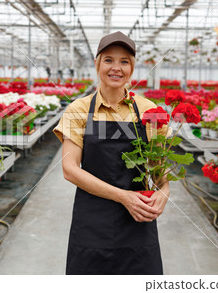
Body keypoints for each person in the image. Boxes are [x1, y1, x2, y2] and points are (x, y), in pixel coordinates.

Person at [53, 31, 169, 275]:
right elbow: (70, 169)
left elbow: (158, 166)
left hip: (138, 218)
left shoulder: (149, 110)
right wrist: (122, 196)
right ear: (97, 64)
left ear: (132, 68)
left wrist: (164, 190)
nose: (116, 68)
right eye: (109, 60)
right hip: (92, 219)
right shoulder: (80, 109)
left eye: (124, 61)